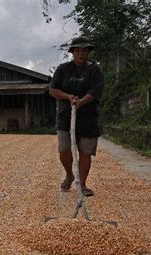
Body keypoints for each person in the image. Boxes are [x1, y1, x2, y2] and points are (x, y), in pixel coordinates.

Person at [49, 36, 105, 196]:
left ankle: (82, 184)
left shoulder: (95, 70)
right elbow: (52, 90)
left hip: (88, 117)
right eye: (78, 50)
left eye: (84, 50)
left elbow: (95, 92)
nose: (81, 53)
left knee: (85, 152)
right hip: (65, 117)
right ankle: (69, 174)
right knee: (64, 150)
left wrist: (81, 102)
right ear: (72, 52)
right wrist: (68, 97)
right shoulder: (63, 69)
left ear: (88, 52)